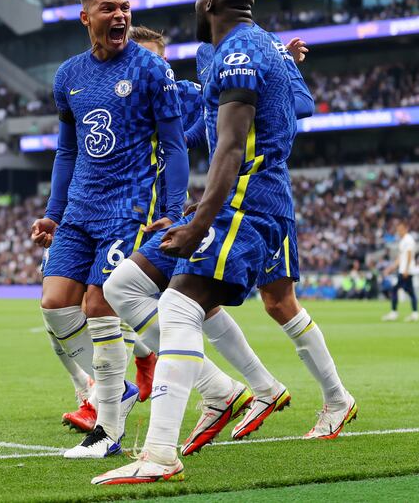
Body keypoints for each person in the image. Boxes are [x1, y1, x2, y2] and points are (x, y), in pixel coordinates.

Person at [94, 0, 355, 486]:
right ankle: (222, 391)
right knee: (124, 285)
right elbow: (218, 132)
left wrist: (198, 222)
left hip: (247, 203)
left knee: (183, 304)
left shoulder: (239, 54)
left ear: (209, 1)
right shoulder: (244, 48)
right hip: (225, 201)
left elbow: (233, 147)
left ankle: (162, 452)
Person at [103, 24, 292, 457]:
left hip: (239, 202)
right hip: (201, 203)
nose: (147, 67)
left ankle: (182, 422)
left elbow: (209, 142)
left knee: (187, 301)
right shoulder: (131, 95)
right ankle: (251, 387)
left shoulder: (207, 77)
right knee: (132, 290)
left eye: (153, 59)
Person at [30, 0, 189, 459]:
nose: (120, 16)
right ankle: (116, 387)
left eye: (125, 8)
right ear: (86, 18)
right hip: (79, 208)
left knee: (99, 304)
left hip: (128, 205)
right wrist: (53, 214)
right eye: (108, 9)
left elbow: (177, 143)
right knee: (56, 304)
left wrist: (173, 211)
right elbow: (67, 150)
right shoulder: (68, 76)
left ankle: (108, 433)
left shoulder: (150, 68)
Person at [383, 222, 419, 322]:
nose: (399, 232)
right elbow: (401, 257)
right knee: (410, 292)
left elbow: (409, 255)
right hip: (404, 269)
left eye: (400, 230)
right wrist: (391, 268)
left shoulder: (408, 240)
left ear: (405, 229)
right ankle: (415, 313)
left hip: (405, 270)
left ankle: (394, 312)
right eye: (398, 230)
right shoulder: (403, 240)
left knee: (395, 290)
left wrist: (406, 269)